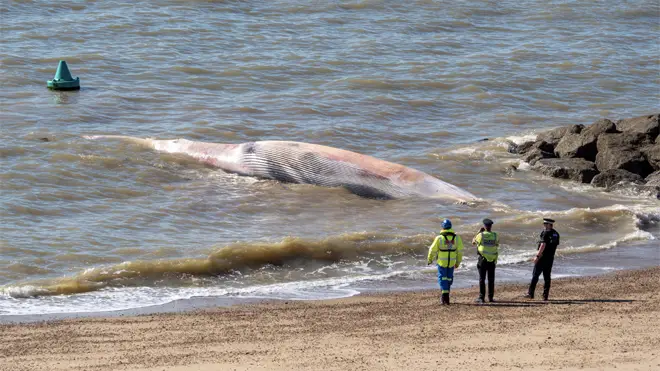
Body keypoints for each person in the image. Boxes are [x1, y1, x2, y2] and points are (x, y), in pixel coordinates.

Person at [427, 219, 464, 305]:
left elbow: (432, 250)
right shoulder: (457, 238)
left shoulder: (439, 238)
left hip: (442, 263)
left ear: (443, 227)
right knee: (449, 279)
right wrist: (458, 262)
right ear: (450, 227)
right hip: (451, 263)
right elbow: (460, 252)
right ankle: (446, 295)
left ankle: (445, 298)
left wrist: (430, 259)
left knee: (442, 279)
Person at [524, 218, 560, 300]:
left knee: (535, 275)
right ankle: (545, 296)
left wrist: (537, 256)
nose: (543, 225)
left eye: (545, 224)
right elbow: (554, 246)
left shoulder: (545, 233)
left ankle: (530, 293)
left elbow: (543, 245)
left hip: (542, 257)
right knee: (547, 277)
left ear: (549, 225)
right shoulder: (556, 234)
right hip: (550, 258)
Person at [472, 218, 499, 303]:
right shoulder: (495, 235)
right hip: (492, 260)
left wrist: (478, 232)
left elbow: (473, 242)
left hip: (483, 260)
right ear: (491, 226)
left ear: (484, 226)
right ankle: (490, 297)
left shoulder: (481, 235)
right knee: (491, 279)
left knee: (482, 279)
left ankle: (481, 297)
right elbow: (497, 244)